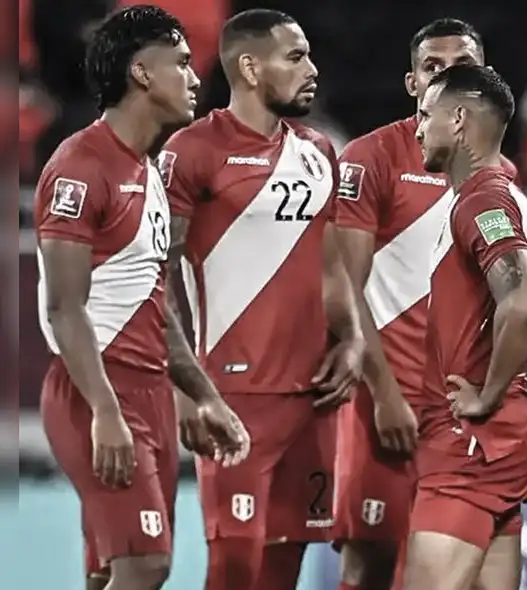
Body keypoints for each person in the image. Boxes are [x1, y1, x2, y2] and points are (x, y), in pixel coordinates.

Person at [35, 6, 250, 590]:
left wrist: (204, 395)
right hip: (97, 389)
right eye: (181, 63)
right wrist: (105, 412)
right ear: (141, 72)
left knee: (112, 571)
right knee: (145, 567)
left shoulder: (148, 171)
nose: (196, 78)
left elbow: (157, 305)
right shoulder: (80, 167)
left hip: (149, 391)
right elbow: (63, 308)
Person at [158, 9, 364, 590]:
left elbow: (331, 266)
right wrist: (184, 389)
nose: (312, 69)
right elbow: (155, 278)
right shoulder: (191, 151)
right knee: (234, 565)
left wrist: (351, 339)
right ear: (249, 68)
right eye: (295, 57)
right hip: (235, 395)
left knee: (284, 565)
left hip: (315, 396)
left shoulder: (319, 150)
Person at [332, 18, 517, 590]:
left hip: (458, 406)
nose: (447, 75)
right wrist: (384, 394)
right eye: (433, 66)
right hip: (385, 397)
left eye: (461, 64)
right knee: (369, 562)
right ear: (413, 82)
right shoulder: (371, 157)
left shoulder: (500, 174)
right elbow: (346, 286)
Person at [405, 64, 527, 590]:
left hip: (471, 442)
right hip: (494, 442)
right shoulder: (490, 198)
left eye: (427, 115)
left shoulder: (483, 200)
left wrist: (487, 396)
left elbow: (524, 303)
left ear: (459, 120)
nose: (418, 129)